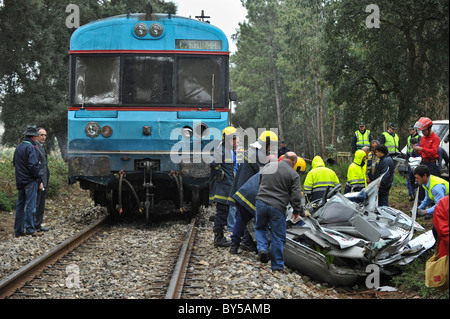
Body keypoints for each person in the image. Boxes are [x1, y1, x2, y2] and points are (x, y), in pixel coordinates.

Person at [254, 152, 310, 271]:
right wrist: (296, 210)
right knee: (278, 236)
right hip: (277, 207)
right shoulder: (293, 174)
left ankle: (262, 249)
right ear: (294, 162)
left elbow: (260, 183)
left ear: (283, 158)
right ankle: (277, 265)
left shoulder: (268, 167)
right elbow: (295, 195)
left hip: (260, 202)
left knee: (260, 228)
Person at [209, 126, 239, 247]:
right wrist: (220, 173)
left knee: (224, 212)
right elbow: (213, 163)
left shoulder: (227, 150)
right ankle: (218, 238)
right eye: (233, 139)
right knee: (221, 213)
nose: (235, 141)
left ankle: (220, 236)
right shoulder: (222, 150)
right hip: (223, 188)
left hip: (227, 188)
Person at [13, 125, 44, 237]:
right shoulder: (31, 148)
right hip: (30, 181)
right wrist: (38, 179)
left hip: (20, 180)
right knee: (31, 205)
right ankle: (30, 229)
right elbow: (33, 166)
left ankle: (18, 230)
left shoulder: (19, 147)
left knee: (20, 205)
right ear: (34, 137)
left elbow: (14, 163)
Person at [35, 128, 50, 232]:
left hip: (44, 179)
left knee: (41, 204)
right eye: (41, 135)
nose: (43, 137)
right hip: (38, 180)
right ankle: (33, 225)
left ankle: (38, 225)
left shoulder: (41, 146)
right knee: (36, 203)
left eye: (45, 135)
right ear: (37, 136)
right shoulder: (35, 147)